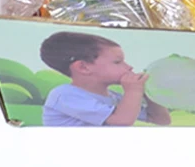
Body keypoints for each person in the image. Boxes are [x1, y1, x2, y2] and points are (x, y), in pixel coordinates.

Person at [38, 31, 171, 127]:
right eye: (118, 62)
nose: (129, 67)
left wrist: (148, 94)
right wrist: (133, 91)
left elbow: (161, 120)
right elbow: (122, 121)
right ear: (83, 67)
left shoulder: (115, 97)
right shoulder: (65, 95)